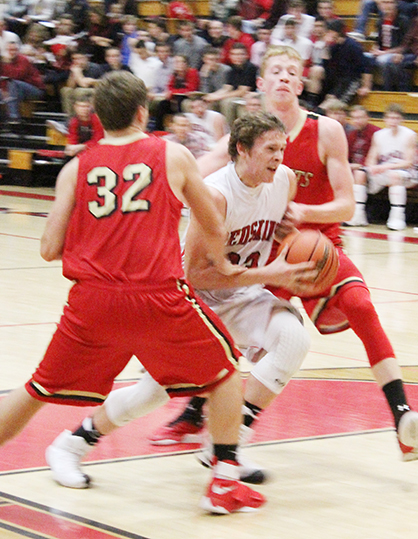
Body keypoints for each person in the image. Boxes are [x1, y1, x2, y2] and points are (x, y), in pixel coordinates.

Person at [0, 70, 265, 515]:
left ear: (98, 117)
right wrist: (221, 261)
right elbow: (212, 221)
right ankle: (223, 481)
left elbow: (48, 248)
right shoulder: (173, 155)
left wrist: (98, 235)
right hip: (156, 297)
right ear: (143, 111)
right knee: (223, 376)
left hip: (93, 301)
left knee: (36, 390)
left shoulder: (75, 167)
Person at [155, 46, 418, 463]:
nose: (284, 77)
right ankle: (202, 413)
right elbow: (193, 170)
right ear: (261, 84)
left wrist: (304, 212)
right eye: (276, 71)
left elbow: (346, 206)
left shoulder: (326, 131)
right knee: (243, 332)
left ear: (301, 85)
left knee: (360, 304)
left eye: (292, 71)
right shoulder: (244, 139)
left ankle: (402, 417)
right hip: (268, 255)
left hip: (318, 246)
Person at [45, 110, 315, 487]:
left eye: (282, 149)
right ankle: (70, 445)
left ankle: (227, 446)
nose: (279, 157)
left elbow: (272, 227)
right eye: (270, 149)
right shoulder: (217, 194)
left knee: (294, 340)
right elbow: (195, 273)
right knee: (150, 395)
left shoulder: (284, 180)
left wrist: (288, 233)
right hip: (199, 301)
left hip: (244, 292)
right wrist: (270, 275)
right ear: (242, 149)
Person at [348, 103, 418, 230]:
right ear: (385, 119)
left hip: (406, 172)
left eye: (396, 118)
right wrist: (372, 167)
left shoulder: (410, 135)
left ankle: (397, 218)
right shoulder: (379, 135)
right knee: (360, 173)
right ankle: (358, 215)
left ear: (401, 119)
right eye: (390, 118)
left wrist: (385, 167)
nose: (393, 121)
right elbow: (371, 158)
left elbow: (408, 162)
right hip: (385, 170)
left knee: (394, 175)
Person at [345, 105, 380, 220]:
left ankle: (357, 214)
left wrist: (359, 165)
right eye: (354, 118)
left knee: (359, 173)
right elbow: (347, 155)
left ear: (367, 117)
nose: (357, 121)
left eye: (360, 117)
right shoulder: (352, 134)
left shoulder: (376, 133)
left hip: (371, 168)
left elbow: (376, 157)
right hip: (354, 167)